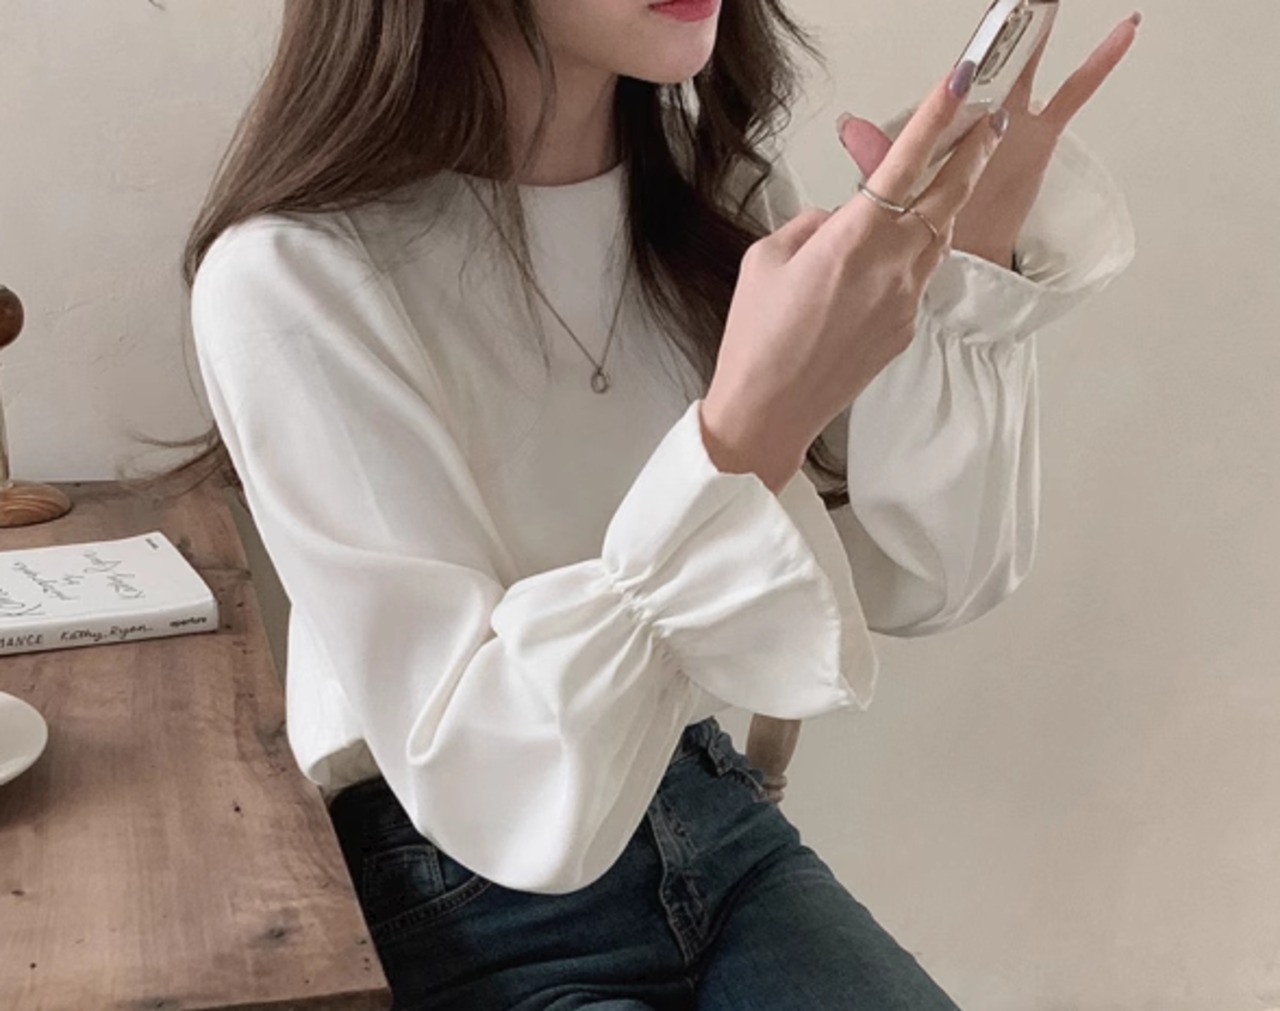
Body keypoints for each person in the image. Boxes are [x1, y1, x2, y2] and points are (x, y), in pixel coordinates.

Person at [179, 2, 1139, 1007]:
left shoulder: (721, 197)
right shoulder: (291, 276)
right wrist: (744, 436)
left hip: (709, 815)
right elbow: (496, 780)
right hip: (456, 885)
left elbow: (912, 576)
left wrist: (967, 275)